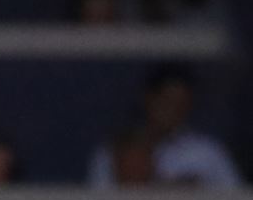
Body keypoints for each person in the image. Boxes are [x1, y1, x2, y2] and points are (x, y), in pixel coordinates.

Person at [88, 66, 242, 188]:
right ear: (148, 98)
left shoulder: (208, 152)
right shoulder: (112, 150)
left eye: (181, 104)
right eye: (167, 101)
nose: (173, 110)